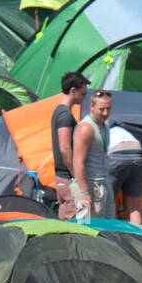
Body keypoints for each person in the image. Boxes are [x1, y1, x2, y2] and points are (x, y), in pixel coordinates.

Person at [51, 72, 88, 222]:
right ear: (73, 90)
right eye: (83, 93)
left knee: (70, 218)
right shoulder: (64, 114)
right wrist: (76, 176)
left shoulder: (62, 112)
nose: (84, 97)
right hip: (67, 177)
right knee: (72, 221)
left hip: (65, 177)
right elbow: (65, 147)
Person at [71, 88, 112, 221]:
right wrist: (84, 192)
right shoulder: (86, 128)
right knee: (88, 229)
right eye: (102, 109)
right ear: (92, 106)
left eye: (108, 109)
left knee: (107, 228)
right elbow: (77, 161)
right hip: (90, 185)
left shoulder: (105, 125)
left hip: (104, 183)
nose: (105, 113)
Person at [106, 125, 142, 225]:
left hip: (117, 151)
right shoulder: (123, 130)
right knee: (134, 207)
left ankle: (106, 234)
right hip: (137, 151)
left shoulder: (100, 130)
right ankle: (136, 235)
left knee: (105, 202)